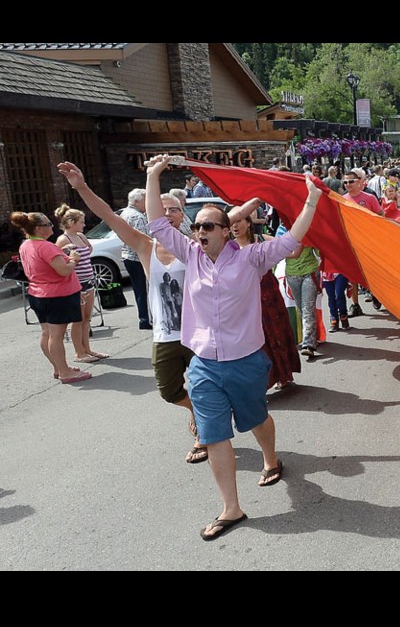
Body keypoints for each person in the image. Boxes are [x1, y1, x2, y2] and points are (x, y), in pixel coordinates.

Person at [145, 154, 322, 541]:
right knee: (213, 434)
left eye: (208, 225)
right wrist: (153, 174)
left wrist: (310, 200)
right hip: (204, 364)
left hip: (246, 363)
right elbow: (157, 222)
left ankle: (271, 458)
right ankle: (232, 507)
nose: (199, 231)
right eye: (196, 226)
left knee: (256, 421)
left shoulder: (252, 259)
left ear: (227, 231)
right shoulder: (190, 255)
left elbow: (292, 240)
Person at [59, 161, 262, 463]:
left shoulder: (198, 245)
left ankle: (205, 434)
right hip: (166, 335)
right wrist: (81, 187)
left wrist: (260, 192)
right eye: (161, 209)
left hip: (202, 336)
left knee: (209, 390)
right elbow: (107, 215)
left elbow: (235, 214)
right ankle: (196, 410)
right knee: (169, 390)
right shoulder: (144, 246)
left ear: (183, 216)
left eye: (173, 209)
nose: (166, 214)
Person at [11, 211, 90, 383]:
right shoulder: (47, 247)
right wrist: (73, 259)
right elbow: (64, 270)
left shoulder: (26, 244)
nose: (52, 226)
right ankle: (64, 372)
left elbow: (42, 262)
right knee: (56, 336)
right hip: (57, 295)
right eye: (48, 224)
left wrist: (62, 253)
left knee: (47, 333)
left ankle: (59, 367)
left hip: (38, 293)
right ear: (39, 228)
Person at [231, 213, 301, 390]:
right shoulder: (227, 248)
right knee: (253, 339)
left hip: (268, 295)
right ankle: (262, 380)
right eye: (231, 222)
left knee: (275, 333)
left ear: (248, 223)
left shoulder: (262, 239)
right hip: (242, 299)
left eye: (238, 221)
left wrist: (302, 233)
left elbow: (292, 252)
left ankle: (282, 375)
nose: (234, 226)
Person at [54, 204, 108, 363]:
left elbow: (89, 249)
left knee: (87, 318)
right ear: (71, 222)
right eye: (81, 222)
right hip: (75, 284)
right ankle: (79, 352)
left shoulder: (81, 236)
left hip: (88, 281)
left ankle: (87, 349)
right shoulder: (63, 239)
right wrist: (67, 252)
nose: (84, 225)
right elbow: (58, 260)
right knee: (77, 319)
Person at [120, 188, 152, 330]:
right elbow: (145, 240)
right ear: (137, 201)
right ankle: (146, 319)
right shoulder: (137, 216)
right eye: (146, 199)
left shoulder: (124, 213)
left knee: (139, 289)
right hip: (138, 257)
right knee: (144, 289)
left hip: (128, 255)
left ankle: (144, 318)